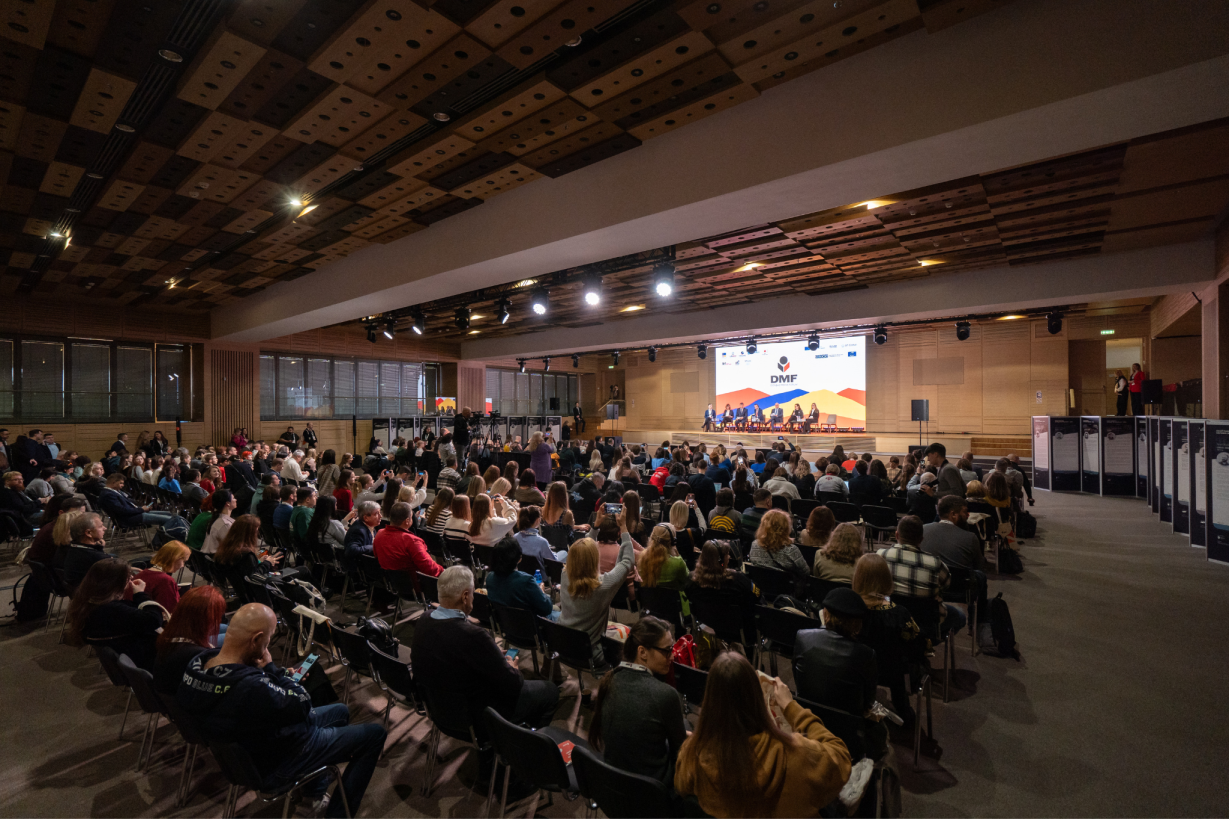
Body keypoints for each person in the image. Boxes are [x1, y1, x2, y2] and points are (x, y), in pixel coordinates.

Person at [179, 603, 385, 817]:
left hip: (247, 752)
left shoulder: (198, 666)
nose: (267, 647)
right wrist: (271, 670)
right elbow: (302, 703)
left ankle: (313, 793)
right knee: (375, 735)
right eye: (267, 641)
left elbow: (259, 698)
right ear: (256, 639)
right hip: (278, 760)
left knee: (340, 711)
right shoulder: (250, 687)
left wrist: (276, 677)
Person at [674, 651, 851, 817]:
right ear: (756, 697)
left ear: (710, 700)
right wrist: (792, 708)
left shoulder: (692, 756)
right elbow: (841, 758)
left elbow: (681, 786)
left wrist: (695, 742)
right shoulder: (797, 754)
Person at [412, 566, 560, 728]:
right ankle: (518, 741)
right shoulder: (473, 635)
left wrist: (492, 655)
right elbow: (513, 684)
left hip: (439, 710)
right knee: (550, 691)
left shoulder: (423, 620)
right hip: (477, 716)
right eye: (473, 593)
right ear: (465, 597)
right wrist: (513, 667)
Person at [589, 616, 688, 784]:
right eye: (667, 650)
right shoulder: (666, 695)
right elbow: (679, 753)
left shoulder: (611, 679)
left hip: (615, 785)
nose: (672, 657)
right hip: (655, 792)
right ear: (642, 652)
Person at [793, 587, 886, 758]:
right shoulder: (866, 654)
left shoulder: (802, 637)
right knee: (882, 732)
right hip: (848, 737)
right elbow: (868, 702)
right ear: (857, 623)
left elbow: (799, 682)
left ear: (826, 614)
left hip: (807, 724)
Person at [853, 553, 924, 727]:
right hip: (893, 672)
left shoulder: (850, 610)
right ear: (886, 579)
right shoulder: (899, 613)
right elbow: (917, 645)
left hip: (856, 668)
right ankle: (903, 710)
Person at [559, 516, 635, 669]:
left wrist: (595, 527)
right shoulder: (603, 585)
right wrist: (624, 528)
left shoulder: (565, 575)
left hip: (562, 644)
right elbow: (627, 561)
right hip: (591, 655)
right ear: (595, 560)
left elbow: (583, 548)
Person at [65, 559, 166, 671]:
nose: (131, 578)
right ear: (114, 582)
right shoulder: (110, 609)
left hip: (126, 653)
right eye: (127, 577)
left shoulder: (88, 601)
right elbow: (154, 621)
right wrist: (141, 594)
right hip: (147, 660)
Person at [877, 515, 964, 639]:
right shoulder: (936, 564)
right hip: (925, 625)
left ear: (896, 535)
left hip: (888, 621)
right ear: (921, 539)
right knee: (959, 615)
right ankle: (926, 644)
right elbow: (946, 586)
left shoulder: (880, 556)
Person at [153, 585, 227, 695]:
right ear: (205, 620)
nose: (219, 620)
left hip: (176, 703)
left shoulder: (171, 640)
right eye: (217, 617)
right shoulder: (198, 655)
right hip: (190, 708)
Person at [373, 502, 442, 589]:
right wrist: (445, 572)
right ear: (407, 521)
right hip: (416, 587)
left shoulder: (379, 534)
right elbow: (430, 568)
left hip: (391, 584)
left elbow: (376, 556)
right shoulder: (412, 541)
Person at [484, 535, 555, 618]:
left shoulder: (490, 578)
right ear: (520, 558)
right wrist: (542, 592)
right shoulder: (526, 581)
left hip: (506, 625)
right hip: (534, 626)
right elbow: (546, 608)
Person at [126, 541, 191, 614]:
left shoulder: (143, 573)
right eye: (184, 561)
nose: (183, 566)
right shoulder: (166, 580)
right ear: (176, 559)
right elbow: (170, 611)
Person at [749, 509, 809, 580]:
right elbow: (806, 573)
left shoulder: (755, 544)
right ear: (786, 528)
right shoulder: (791, 550)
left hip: (759, 587)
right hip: (787, 589)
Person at [61, 512, 117, 588]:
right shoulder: (98, 558)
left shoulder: (71, 547)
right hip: (97, 594)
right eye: (100, 526)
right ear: (88, 533)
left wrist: (98, 547)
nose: (105, 528)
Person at [216, 514, 282, 575]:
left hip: (237, 585)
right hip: (256, 586)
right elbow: (255, 576)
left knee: (264, 552)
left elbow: (248, 570)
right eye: (256, 530)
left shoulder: (228, 547)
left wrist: (262, 562)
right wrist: (268, 563)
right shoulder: (246, 555)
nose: (257, 533)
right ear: (249, 534)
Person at [637, 524, 689, 589]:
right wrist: (678, 555)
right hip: (674, 599)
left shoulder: (642, 558)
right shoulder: (678, 563)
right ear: (673, 542)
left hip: (648, 599)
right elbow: (687, 579)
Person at [344, 501, 381, 567]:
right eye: (376, 514)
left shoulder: (370, 526)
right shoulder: (358, 530)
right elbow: (352, 550)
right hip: (359, 571)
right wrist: (375, 547)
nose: (380, 516)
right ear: (366, 518)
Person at [202, 489, 238, 556]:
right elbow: (231, 547)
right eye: (233, 498)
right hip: (217, 560)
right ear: (227, 503)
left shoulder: (217, 519)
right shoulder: (225, 524)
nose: (236, 500)